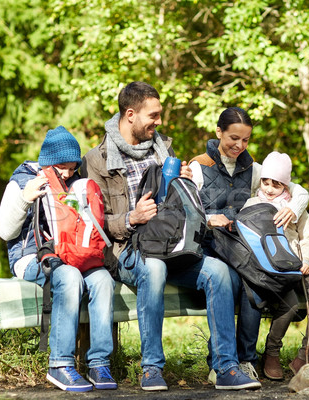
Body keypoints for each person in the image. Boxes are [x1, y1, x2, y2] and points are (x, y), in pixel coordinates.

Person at [80, 82, 261, 391]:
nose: (160, 122)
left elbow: (179, 204)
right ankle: (151, 368)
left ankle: (226, 367)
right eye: (154, 115)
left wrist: (185, 185)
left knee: (219, 272)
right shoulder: (97, 161)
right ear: (131, 114)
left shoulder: (164, 147)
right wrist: (131, 217)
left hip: (172, 244)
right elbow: (92, 222)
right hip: (128, 249)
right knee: (153, 268)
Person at [189, 107, 309, 381]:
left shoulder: (253, 169)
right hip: (210, 247)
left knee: (253, 286)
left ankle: (245, 360)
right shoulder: (198, 166)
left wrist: (296, 207)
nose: (239, 145)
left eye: (245, 140)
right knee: (230, 281)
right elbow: (184, 209)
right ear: (218, 132)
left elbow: (297, 188)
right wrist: (209, 219)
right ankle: (220, 361)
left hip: (243, 248)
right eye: (234, 138)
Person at [0, 126, 117, 392]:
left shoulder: (75, 183)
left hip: (72, 255)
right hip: (29, 258)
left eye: (73, 168)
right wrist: (26, 199)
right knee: (68, 276)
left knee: (103, 280)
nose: (68, 174)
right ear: (47, 162)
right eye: (62, 167)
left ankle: (98, 361)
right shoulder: (22, 181)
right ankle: (60, 364)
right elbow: (5, 231)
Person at [242, 151, 309, 379]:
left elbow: (308, 238)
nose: (269, 188)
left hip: (298, 265)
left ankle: (305, 356)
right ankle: (271, 353)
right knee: (289, 303)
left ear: (286, 184)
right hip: (271, 269)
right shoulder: (253, 203)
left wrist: (308, 260)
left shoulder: (295, 207)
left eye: (276, 184)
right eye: (266, 182)